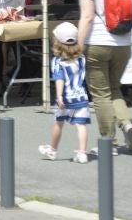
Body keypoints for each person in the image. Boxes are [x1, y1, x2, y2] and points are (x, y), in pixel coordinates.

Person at [76, 0, 132, 154]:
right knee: (114, 89)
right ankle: (127, 123)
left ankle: (108, 141)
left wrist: (78, 45)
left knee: (100, 94)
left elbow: (87, 18)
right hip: (123, 43)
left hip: (99, 44)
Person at [39, 22, 90, 163]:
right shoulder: (81, 58)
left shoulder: (58, 61)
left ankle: (53, 150)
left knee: (58, 123)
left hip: (66, 97)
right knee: (81, 125)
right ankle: (82, 153)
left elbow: (59, 79)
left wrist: (59, 95)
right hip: (81, 96)